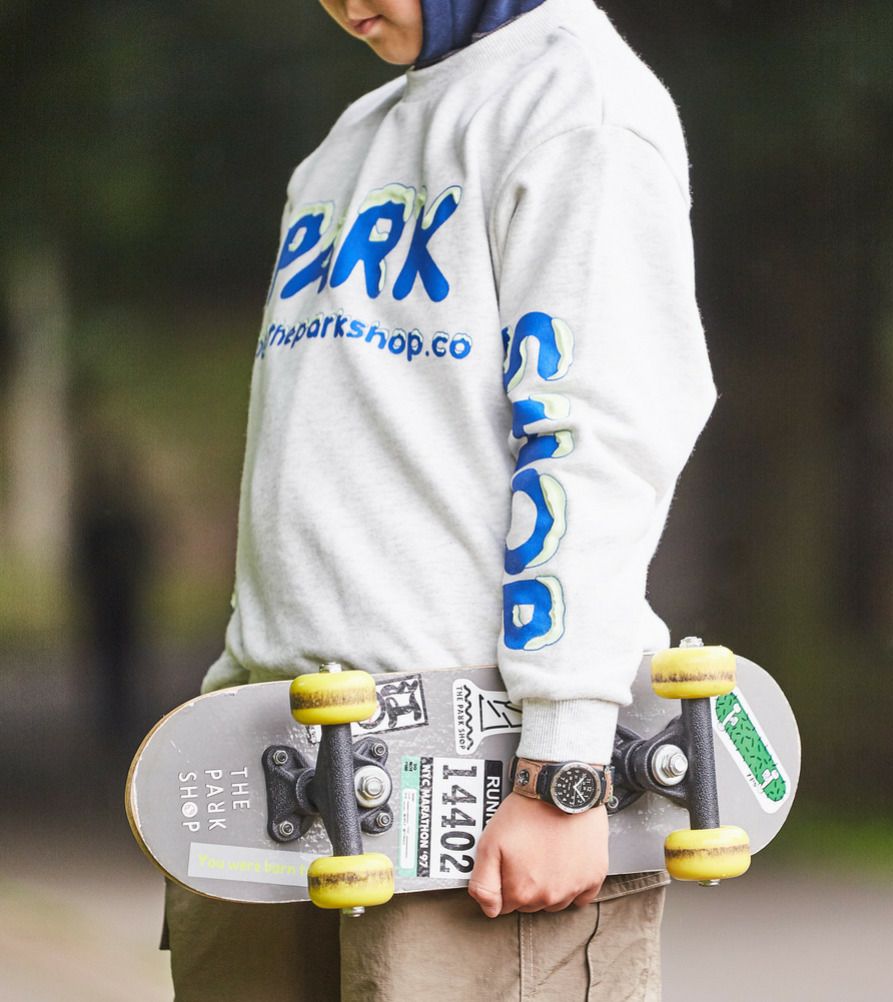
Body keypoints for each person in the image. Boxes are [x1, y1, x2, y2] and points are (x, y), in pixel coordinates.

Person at [163, 0, 716, 998]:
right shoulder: (351, 140)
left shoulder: (580, 106)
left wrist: (564, 770)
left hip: (478, 790)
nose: (348, 5)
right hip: (285, 760)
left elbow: (598, 437)